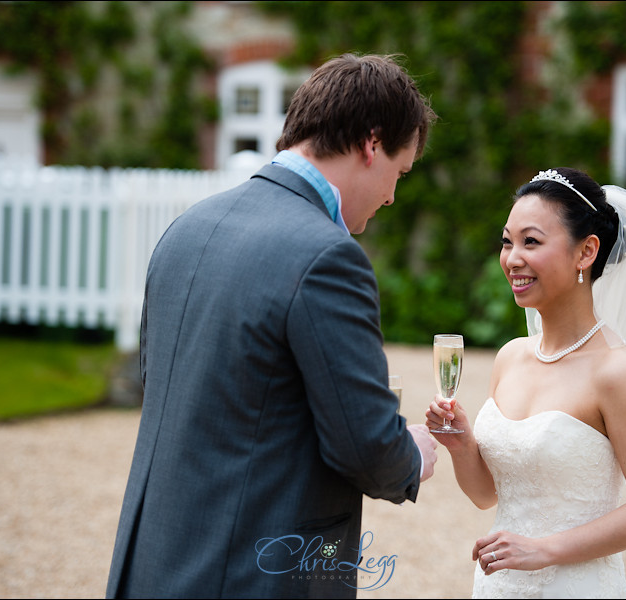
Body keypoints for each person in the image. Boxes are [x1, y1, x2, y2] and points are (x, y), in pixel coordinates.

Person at [106, 53, 439, 599]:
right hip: (250, 574)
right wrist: (411, 455)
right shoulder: (328, 257)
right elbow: (364, 446)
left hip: (154, 562)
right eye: (398, 174)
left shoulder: (186, 227)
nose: (391, 197)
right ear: (371, 144)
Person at [426, 167, 626, 598]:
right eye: (507, 242)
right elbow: (488, 494)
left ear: (586, 252)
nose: (512, 258)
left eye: (531, 242)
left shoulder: (615, 372)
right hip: (498, 586)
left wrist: (546, 550)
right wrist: (463, 446)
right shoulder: (511, 357)